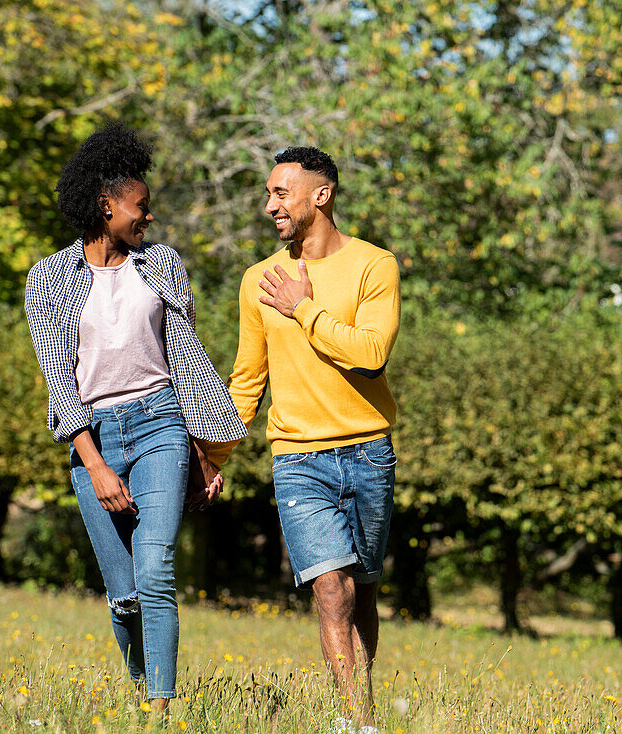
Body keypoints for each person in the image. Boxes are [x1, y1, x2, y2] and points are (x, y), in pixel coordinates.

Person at [24, 123, 247, 717]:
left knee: (155, 570)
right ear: (107, 205)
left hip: (161, 426)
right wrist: (93, 465)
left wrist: (204, 452)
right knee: (124, 595)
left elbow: (188, 359)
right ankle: (137, 677)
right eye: (140, 207)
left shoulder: (163, 264)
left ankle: (160, 708)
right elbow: (60, 382)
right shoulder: (48, 279)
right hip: (95, 440)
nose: (149, 217)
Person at [204, 146, 400, 732]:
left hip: (368, 450)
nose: (270, 206)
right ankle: (358, 723)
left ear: (322, 194)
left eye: (280, 193)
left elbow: (371, 354)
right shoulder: (258, 280)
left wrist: (305, 309)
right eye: (268, 194)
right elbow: (246, 380)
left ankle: (360, 706)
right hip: (297, 458)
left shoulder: (374, 265)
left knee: (362, 592)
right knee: (330, 590)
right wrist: (213, 457)